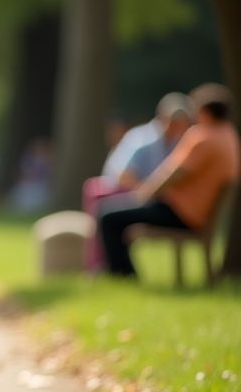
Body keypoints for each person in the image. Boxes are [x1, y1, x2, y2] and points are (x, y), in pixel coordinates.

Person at [100, 83, 240, 278]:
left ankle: (123, 276)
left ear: (204, 111)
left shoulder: (202, 137)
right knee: (118, 214)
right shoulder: (229, 136)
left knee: (107, 216)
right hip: (196, 213)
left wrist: (145, 193)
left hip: (181, 213)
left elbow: (173, 173)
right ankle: (125, 274)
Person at [82, 92, 191, 271]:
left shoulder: (177, 142)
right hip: (121, 189)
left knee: (114, 218)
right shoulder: (143, 139)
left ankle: (122, 272)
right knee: (110, 216)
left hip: (149, 194)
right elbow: (124, 174)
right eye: (174, 119)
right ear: (162, 116)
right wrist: (148, 192)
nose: (178, 125)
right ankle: (109, 268)